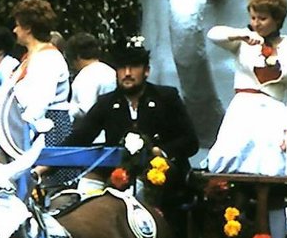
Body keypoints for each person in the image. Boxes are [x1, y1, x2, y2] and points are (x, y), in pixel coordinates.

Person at [71, 40, 199, 205]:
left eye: (134, 67)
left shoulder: (167, 97)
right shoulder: (107, 103)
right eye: (122, 68)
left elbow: (190, 141)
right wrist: (43, 165)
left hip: (163, 180)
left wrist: (160, 151)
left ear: (146, 71)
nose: (127, 73)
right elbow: (80, 138)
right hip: (118, 180)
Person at [204, 0, 287, 176]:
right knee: (229, 163)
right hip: (243, 111)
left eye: (262, 18)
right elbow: (213, 34)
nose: (256, 23)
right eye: (253, 18)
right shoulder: (244, 40)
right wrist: (241, 34)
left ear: (277, 19)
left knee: (269, 167)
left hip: (273, 115)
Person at [6, 0, 72, 126]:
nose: (15, 30)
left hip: (44, 132)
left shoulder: (48, 58)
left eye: (18, 25)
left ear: (28, 28)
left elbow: (40, 102)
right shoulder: (31, 56)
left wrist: (22, 129)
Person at [63, 32, 118, 121]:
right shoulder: (110, 71)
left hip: (92, 130)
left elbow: (85, 109)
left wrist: (65, 108)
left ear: (77, 57)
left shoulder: (85, 77)